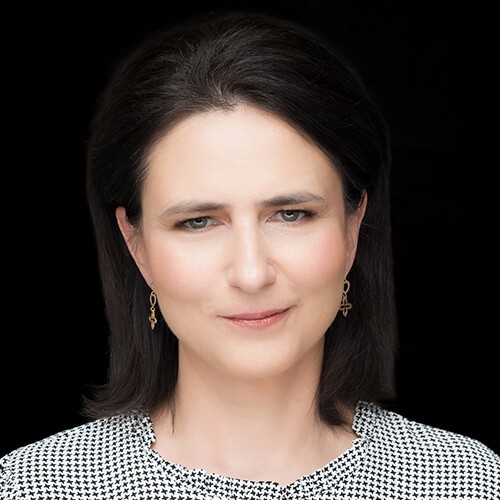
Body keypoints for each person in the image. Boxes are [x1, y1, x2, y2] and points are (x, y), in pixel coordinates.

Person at [1, 10, 498, 500]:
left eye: (291, 214)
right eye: (198, 222)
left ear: (353, 227)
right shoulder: (35, 486)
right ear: (137, 245)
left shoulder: (465, 482)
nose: (252, 273)